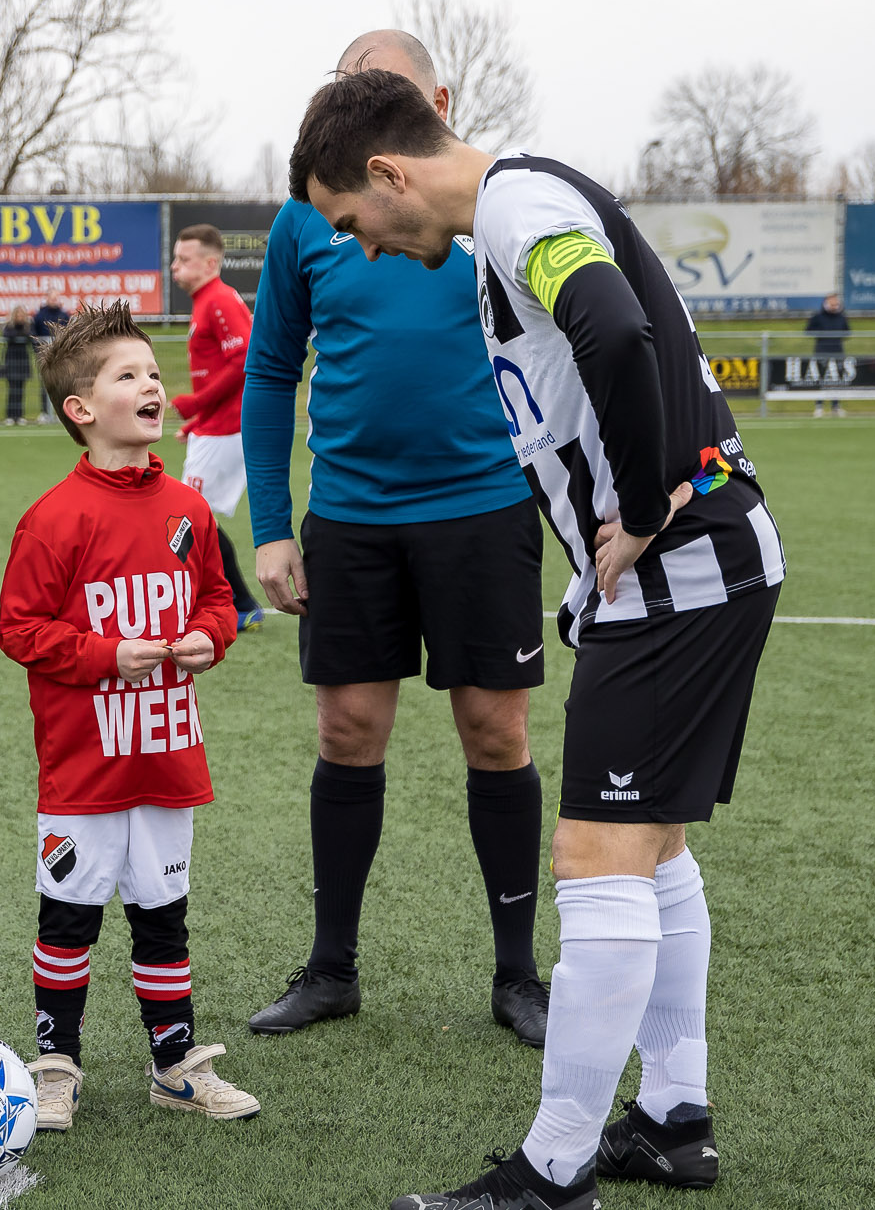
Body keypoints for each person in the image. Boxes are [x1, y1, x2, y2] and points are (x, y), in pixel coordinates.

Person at [291, 69, 784, 1210]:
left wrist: (646, 505)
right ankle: (673, 1119)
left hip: (678, 574)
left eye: (350, 220)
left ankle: (552, 1172)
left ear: (388, 172)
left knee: (596, 856)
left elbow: (610, 323)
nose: (361, 246)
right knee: (652, 850)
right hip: (689, 573)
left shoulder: (518, 207)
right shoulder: (510, 215)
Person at [240, 30, 551, 1048]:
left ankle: (517, 975)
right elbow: (270, 370)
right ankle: (331, 968)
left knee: (494, 733)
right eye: (347, 89)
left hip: (483, 507)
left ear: (435, 103)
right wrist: (274, 528)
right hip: (351, 518)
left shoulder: (497, 208)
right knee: (346, 731)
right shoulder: (308, 215)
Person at [0, 300, 257, 1131]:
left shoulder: (188, 507)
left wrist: (210, 637)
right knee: (68, 920)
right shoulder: (53, 517)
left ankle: (174, 1065)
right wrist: (106, 654)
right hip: (85, 768)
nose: (153, 385)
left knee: (163, 919)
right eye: (128, 375)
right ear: (81, 408)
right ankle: (55, 1066)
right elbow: (20, 630)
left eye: (153, 371)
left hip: (168, 757)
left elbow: (218, 600)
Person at [168, 225, 265, 634]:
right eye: (175, 259)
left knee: (188, 516)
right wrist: (197, 421)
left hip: (227, 428)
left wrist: (197, 405)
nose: (175, 266)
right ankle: (228, 601)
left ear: (210, 263)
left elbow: (244, 360)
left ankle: (239, 603)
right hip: (215, 425)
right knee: (192, 515)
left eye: (184, 259)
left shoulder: (220, 299)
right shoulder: (206, 300)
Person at [804, 292, 849, 416]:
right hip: (822, 351)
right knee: (821, 378)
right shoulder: (818, 317)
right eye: (832, 301)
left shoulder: (841, 317)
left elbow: (847, 331)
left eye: (836, 301)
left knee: (836, 379)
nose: (835, 304)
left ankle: (836, 406)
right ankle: (819, 406)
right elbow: (808, 331)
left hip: (837, 351)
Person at [30, 298, 69, 423]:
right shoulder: (40, 315)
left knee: (61, 385)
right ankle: (45, 412)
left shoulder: (63, 315)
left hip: (61, 356)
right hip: (44, 356)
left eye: (56, 298)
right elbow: (34, 333)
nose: (54, 300)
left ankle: (61, 413)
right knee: (45, 384)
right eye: (52, 298)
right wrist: (39, 349)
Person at [0, 305, 34, 424]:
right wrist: (19, 335)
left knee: (20, 389)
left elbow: (30, 335)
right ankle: (10, 415)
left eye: (21, 315)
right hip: (11, 360)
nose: (19, 317)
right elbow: (7, 334)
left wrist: (21, 334)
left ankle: (19, 415)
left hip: (23, 360)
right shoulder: (9, 326)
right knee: (12, 388)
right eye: (17, 315)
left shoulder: (28, 326)